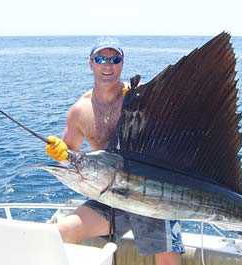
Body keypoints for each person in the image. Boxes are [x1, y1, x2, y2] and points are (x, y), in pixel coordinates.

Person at [45, 36, 184, 265]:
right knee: (60, 233)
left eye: (114, 59)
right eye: (101, 58)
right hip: (108, 195)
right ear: (91, 63)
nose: (107, 65)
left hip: (150, 195)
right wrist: (61, 154)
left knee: (168, 261)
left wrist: (148, 107)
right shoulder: (79, 111)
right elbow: (71, 161)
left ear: (122, 63)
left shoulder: (139, 99)